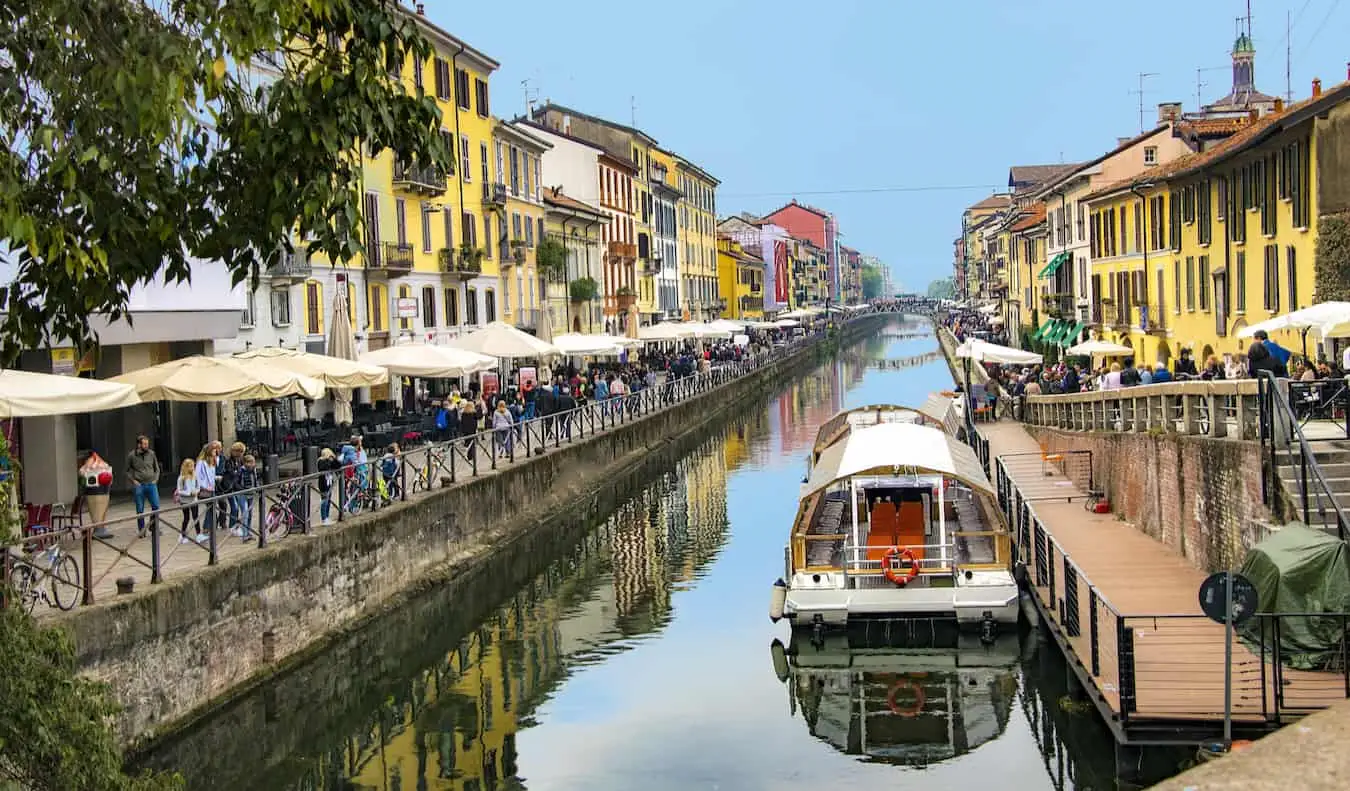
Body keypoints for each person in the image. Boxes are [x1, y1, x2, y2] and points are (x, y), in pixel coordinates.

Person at [125, 434, 161, 539]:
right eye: (144, 444)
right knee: (140, 509)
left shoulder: (151, 454)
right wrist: (133, 480)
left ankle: (153, 527)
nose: (146, 446)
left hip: (151, 483)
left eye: (147, 444)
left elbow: (156, 468)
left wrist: (156, 479)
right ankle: (141, 530)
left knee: (156, 506)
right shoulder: (132, 455)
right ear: (139, 444)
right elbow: (127, 471)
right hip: (139, 485)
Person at [173, 459, 204, 544]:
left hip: (194, 499)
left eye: (193, 466)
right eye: (190, 466)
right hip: (185, 501)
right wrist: (188, 493)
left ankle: (199, 535)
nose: (192, 468)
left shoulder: (195, 476)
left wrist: (196, 492)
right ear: (186, 467)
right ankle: (182, 535)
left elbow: (198, 487)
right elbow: (179, 490)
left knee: (196, 517)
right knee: (186, 518)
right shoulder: (181, 478)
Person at [316, 447, 340, 525]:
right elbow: (323, 468)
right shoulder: (320, 461)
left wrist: (334, 459)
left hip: (329, 483)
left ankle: (327, 516)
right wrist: (328, 460)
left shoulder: (330, 461)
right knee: (324, 501)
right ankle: (324, 518)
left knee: (328, 500)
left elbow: (338, 465)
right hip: (323, 484)